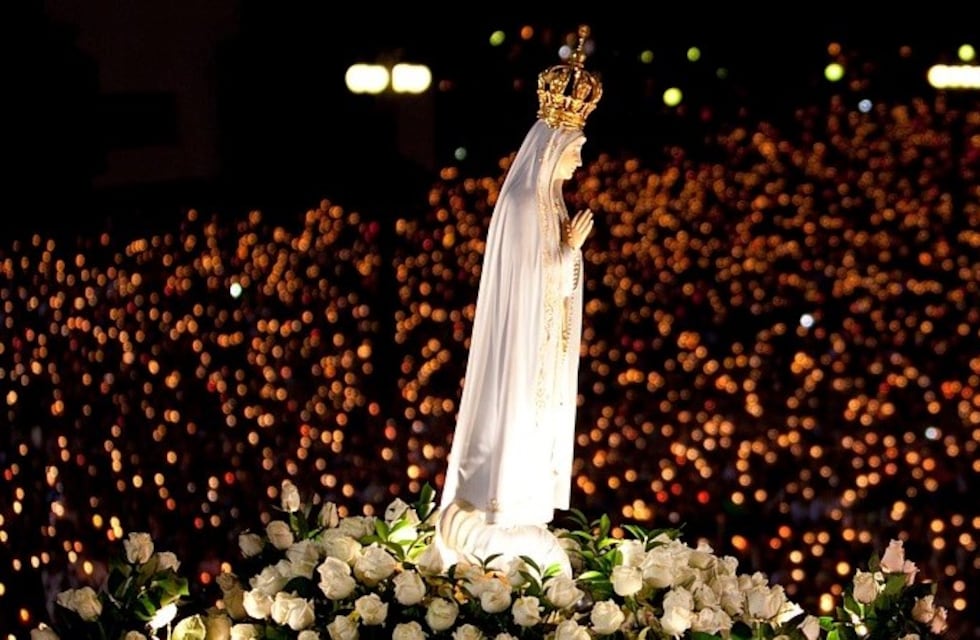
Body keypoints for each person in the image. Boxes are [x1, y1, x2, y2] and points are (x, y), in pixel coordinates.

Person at [435, 25, 602, 576]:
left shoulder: (549, 201)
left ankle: (523, 505)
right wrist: (567, 252)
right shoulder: (528, 205)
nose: (579, 163)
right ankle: (501, 507)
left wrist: (568, 257)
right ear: (553, 147)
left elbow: (552, 279)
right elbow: (527, 282)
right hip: (521, 351)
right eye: (575, 151)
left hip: (542, 351)